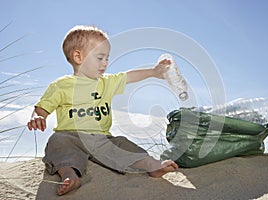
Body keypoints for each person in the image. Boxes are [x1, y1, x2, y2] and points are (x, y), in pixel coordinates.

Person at [27, 25, 178, 196]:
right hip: (71, 136)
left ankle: (152, 165)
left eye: (107, 58)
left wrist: (153, 72)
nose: (105, 63)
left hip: (102, 138)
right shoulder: (61, 85)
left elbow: (129, 76)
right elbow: (42, 107)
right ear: (78, 57)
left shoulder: (106, 82)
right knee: (58, 141)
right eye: (100, 57)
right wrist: (37, 117)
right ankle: (69, 175)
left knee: (122, 144)